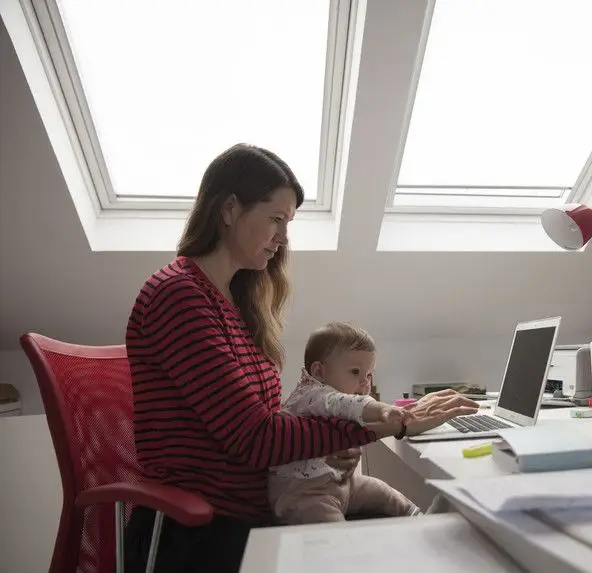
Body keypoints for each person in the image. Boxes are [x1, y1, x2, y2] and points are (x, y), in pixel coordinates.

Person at [123, 143, 479, 573]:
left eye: (287, 223)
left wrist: (331, 449)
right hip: (203, 530)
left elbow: (269, 424)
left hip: (257, 509)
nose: (283, 237)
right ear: (230, 209)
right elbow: (256, 438)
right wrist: (381, 423)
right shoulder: (179, 296)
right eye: (275, 219)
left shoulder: (231, 303)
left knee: (432, 536)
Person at [269, 322, 421, 524]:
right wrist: (382, 409)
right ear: (319, 371)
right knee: (329, 524)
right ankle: (343, 547)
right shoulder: (313, 393)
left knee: (383, 491)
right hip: (303, 493)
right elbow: (347, 404)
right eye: (355, 372)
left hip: (339, 483)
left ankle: (419, 517)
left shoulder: (335, 395)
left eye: (368, 374)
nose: (365, 382)